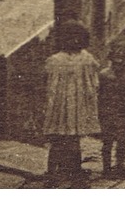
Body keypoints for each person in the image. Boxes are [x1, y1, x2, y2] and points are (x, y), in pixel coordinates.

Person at [42, 19, 99, 188]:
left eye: (78, 37)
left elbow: (94, 80)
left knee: (73, 142)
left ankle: (73, 174)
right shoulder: (55, 60)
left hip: (76, 107)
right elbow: (47, 82)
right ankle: (53, 174)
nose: (75, 41)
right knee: (58, 140)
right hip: (60, 107)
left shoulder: (87, 59)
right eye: (70, 37)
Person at [97, 40, 125, 180]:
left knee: (122, 140)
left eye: (123, 61)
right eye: (116, 60)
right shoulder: (104, 75)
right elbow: (98, 93)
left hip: (123, 111)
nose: (119, 64)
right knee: (108, 141)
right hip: (107, 111)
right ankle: (106, 168)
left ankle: (120, 166)